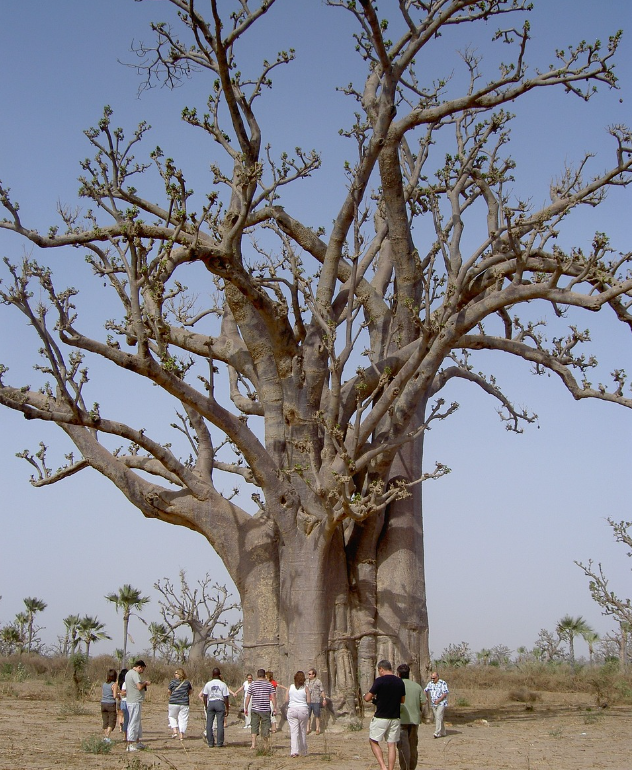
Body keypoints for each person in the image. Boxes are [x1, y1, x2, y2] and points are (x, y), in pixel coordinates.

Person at [364, 660, 406, 770]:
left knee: (373, 740)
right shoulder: (400, 682)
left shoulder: (379, 681)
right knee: (391, 744)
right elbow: (402, 700)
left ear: (381, 669)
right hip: (395, 717)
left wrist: (369, 697)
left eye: (379, 671)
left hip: (381, 717)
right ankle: (390, 769)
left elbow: (367, 698)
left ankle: (383, 767)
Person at [396, 663, 424, 770]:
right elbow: (424, 702)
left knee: (403, 747)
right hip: (415, 720)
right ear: (409, 674)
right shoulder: (417, 686)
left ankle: (405, 768)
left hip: (401, 720)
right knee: (413, 746)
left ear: (398, 674)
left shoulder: (397, 685)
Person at [245, 668, 276, 751]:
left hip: (255, 708)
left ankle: (253, 744)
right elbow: (273, 697)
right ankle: (265, 745)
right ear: (264, 675)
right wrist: (275, 708)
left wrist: (246, 708)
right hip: (265, 709)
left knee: (254, 726)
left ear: (257, 675)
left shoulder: (252, 685)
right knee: (265, 727)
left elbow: (248, 697)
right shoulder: (269, 685)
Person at [199, 667, 230, 748]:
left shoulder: (208, 684)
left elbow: (205, 696)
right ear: (220, 675)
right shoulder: (223, 684)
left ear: (212, 675)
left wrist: (206, 706)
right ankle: (219, 742)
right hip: (220, 702)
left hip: (211, 703)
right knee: (220, 724)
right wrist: (227, 708)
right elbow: (226, 697)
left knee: (209, 724)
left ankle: (210, 742)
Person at [125, 660, 151, 752]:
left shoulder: (128, 673)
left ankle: (138, 742)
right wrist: (145, 683)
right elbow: (139, 687)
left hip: (132, 701)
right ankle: (130, 744)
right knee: (133, 722)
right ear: (139, 667)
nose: (142, 671)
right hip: (134, 701)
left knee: (137, 723)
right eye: (142, 669)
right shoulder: (135, 674)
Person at [285, 670, 310, 757]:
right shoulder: (306, 688)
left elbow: (286, 700)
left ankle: (294, 752)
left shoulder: (290, 687)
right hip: (303, 709)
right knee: (302, 731)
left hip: (292, 710)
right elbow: (309, 701)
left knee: (294, 731)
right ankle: (303, 751)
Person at [167, 667, 193, 740]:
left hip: (173, 702)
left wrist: (173, 695)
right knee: (183, 719)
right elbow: (190, 691)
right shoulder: (187, 682)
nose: (174, 674)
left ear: (179, 674)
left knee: (172, 716)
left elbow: (169, 691)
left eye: (176, 673)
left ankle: (175, 731)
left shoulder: (172, 682)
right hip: (184, 703)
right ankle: (181, 734)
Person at [424, 671, 449, 739]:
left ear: (437, 677)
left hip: (441, 703)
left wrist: (439, 700)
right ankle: (443, 732)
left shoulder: (442, 683)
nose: (432, 679)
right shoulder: (430, 684)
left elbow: (445, 693)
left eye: (434, 678)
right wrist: (426, 697)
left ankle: (437, 732)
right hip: (433, 704)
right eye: (431, 678)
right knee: (439, 718)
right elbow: (425, 690)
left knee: (438, 716)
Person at [100, 668, 119, 743]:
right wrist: (119, 696)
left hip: (103, 703)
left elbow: (103, 693)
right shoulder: (114, 684)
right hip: (111, 704)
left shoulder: (104, 684)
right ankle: (107, 737)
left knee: (105, 721)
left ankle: (106, 738)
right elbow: (114, 695)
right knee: (111, 721)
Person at [306, 668, 327, 735]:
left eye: (310, 674)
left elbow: (322, 691)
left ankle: (317, 729)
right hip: (308, 701)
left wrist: (324, 699)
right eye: (308, 674)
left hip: (316, 701)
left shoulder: (318, 681)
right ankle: (308, 729)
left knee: (317, 715)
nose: (308, 675)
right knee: (307, 715)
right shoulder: (306, 681)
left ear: (313, 674)